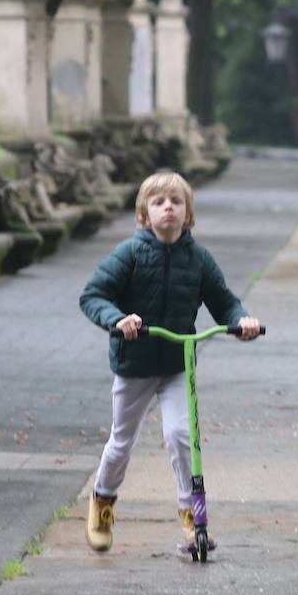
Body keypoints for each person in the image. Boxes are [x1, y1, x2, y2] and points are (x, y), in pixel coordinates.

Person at [80, 170, 261, 553]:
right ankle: (102, 503)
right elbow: (94, 295)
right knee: (121, 442)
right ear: (144, 214)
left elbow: (223, 300)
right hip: (135, 364)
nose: (168, 209)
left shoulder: (198, 258)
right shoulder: (129, 252)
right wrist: (117, 320)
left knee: (182, 436)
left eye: (176, 202)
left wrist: (240, 320)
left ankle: (192, 517)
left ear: (188, 214)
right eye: (159, 202)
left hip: (178, 365)